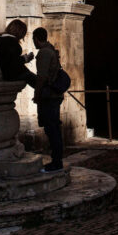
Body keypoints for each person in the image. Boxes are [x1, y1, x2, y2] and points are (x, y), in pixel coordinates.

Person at [32, 27, 64, 172]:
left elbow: (42, 76)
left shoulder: (44, 52)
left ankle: (56, 162)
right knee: (54, 128)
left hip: (49, 96)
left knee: (52, 129)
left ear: (36, 38)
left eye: (33, 39)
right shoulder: (50, 49)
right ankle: (57, 160)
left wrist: (36, 94)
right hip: (54, 96)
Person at [0, 20, 35, 86]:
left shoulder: (2, 39)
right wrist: (26, 58)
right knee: (37, 82)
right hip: (11, 74)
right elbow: (12, 61)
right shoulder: (10, 42)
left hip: (7, 72)